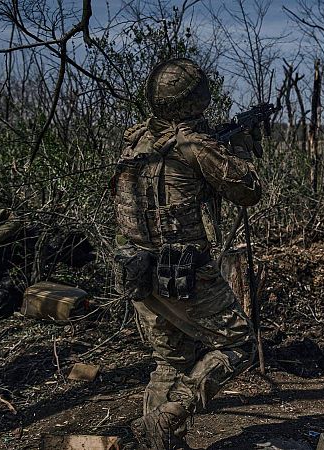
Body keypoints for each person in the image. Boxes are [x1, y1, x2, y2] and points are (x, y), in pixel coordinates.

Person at [110, 58, 262, 449]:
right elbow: (248, 191)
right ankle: (173, 413)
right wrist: (242, 149)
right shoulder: (192, 145)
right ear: (197, 99)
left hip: (137, 268)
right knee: (237, 344)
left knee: (169, 362)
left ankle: (160, 440)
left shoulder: (135, 141)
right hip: (184, 272)